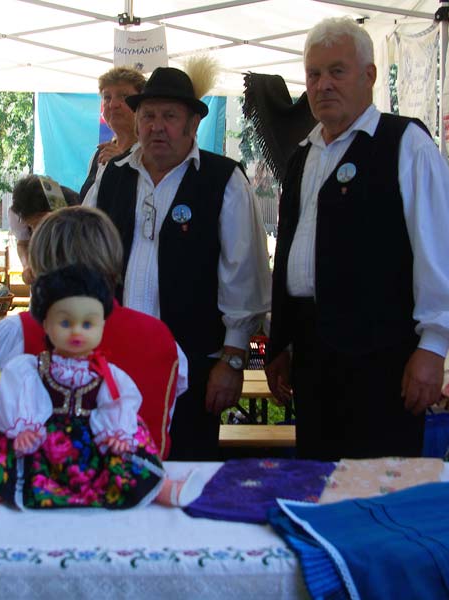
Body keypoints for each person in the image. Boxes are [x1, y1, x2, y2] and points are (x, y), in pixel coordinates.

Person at [265, 18, 449, 461]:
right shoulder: (303, 157)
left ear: (370, 76)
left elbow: (442, 249)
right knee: (319, 475)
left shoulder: (406, 144)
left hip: (383, 357)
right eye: (313, 74)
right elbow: (294, 252)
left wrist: (433, 348)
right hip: (312, 353)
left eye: (337, 71)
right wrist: (281, 341)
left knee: (379, 481)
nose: (322, 84)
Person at [85, 66, 272, 461]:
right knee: (113, 468)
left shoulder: (225, 179)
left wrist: (232, 359)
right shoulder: (112, 176)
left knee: (186, 471)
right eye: (149, 115)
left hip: (192, 366)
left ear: (193, 124)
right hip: (116, 363)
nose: (157, 126)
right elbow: (83, 256)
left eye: (170, 116)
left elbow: (245, 276)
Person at [0, 265, 193, 515]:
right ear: (45, 324)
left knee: (131, 443)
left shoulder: (107, 373)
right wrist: (24, 427)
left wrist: (117, 430)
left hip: (95, 437)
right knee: (7, 450)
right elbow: (18, 398)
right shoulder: (31, 368)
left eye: (88, 324)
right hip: (43, 437)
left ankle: (166, 489)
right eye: (65, 322)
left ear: (102, 325)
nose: (76, 331)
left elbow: (118, 404)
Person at [0, 205, 187, 458]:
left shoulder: (13, 333)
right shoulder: (162, 337)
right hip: (134, 490)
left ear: (41, 264)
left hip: (41, 488)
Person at [79, 67, 147, 200]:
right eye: (107, 97)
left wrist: (122, 166)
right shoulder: (98, 155)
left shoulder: (148, 155)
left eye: (124, 96)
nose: (113, 104)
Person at [8, 174, 79, 284]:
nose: (36, 231)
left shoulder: (74, 208)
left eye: (39, 223)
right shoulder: (18, 211)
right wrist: (27, 266)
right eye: (31, 226)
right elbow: (23, 243)